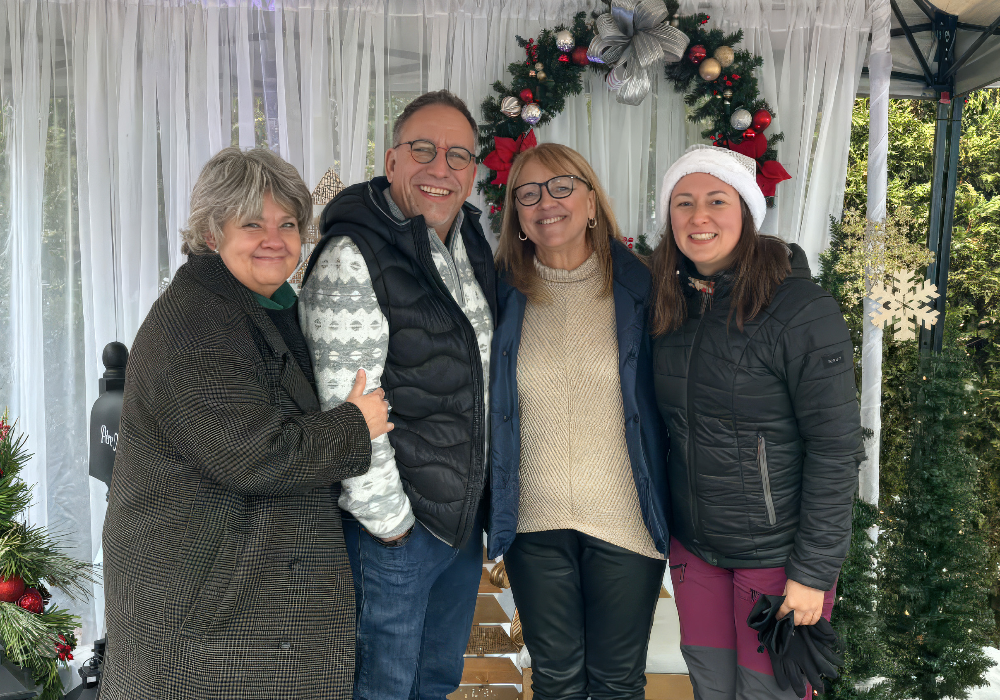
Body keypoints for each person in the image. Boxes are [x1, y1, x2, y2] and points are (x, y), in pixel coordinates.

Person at [100, 147, 391, 700]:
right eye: (253, 224)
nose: (274, 239)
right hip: (203, 610)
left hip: (234, 598)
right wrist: (356, 424)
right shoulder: (197, 323)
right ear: (213, 233)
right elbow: (254, 454)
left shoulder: (257, 303)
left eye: (288, 224)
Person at [299, 90, 495, 700]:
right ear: (391, 161)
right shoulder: (352, 256)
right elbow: (345, 409)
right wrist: (392, 529)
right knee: (381, 689)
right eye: (423, 149)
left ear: (473, 171)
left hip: (456, 525)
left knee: (434, 684)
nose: (441, 168)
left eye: (458, 155)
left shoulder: (467, 240)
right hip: (395, 530)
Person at [649, 145, 864, 699]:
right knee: (710, 687)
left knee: (770, 693)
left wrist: (813, 573)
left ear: (746, 211)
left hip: (777, 559)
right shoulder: (670, 304)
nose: (699, 216)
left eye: (716, 201)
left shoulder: (800, 309)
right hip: (697, 550)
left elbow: (836, 448)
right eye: (683, 202)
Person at [488, 142, 670, 700]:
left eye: (562, 187)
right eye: (529, 194)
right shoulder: (499, 294)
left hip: (625, 520)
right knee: (556, 682)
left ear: (592, 202)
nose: (547, 203)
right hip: (533, 524)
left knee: (617, 684)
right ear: (517, 215)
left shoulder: (644, 289)